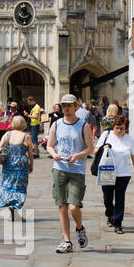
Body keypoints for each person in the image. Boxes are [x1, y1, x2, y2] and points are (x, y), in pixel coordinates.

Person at [46, 93, 95, 253]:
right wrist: (54, 154)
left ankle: (80, 228)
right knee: (62, 206)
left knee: (74, 207)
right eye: (64, 105)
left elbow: (90, 148)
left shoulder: (83, 126)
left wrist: (77, 156)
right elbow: (50, 145)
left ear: (75, 107)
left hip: (77, 170)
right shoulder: (57, 124)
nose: (66, 108)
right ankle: (67, 241)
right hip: (59, 168)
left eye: (69, 105)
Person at [98, 114, 134, 233]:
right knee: (107, 198)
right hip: (107, 172)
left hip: (124, 173)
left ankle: (118, 223)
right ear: (113, 126)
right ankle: (109, 214)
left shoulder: (130, 139)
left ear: (126, 128)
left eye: (122, 128)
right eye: (116, 128)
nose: (119, 131)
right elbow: (95, 150)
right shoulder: (106, 136)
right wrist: (104, 148)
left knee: (120, 198)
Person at [0, 115, 33, 214]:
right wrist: (31, 165)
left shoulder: (7, 134)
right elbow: (30, 153)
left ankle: (8, 202)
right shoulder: (26, 136)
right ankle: (15, 205)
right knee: (19, 186)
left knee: (7, 183)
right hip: (21, 164)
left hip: (8, 163)